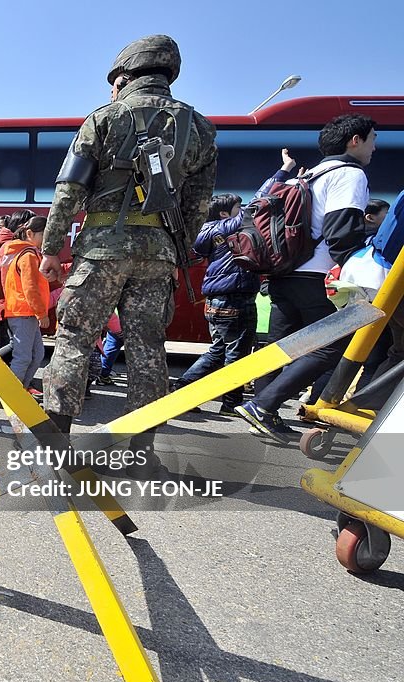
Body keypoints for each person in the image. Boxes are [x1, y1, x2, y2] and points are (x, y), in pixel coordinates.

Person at [39, 34, 218, 471]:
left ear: (124, 75)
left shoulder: (103, 118)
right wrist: (175, 247)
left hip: (101, 250)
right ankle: (140, 452)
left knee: (76, 339)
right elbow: (199, 201)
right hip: (159, 255)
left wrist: (50, 247)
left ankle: (55, 446)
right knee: (148, 347)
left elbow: (69, 190)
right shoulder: (198, 127)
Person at [237, 114, 377, 443]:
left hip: (284, 271)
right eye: (372, 139)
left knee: (278, 347)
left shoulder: (310, 174)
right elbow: (341, 231)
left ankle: (262, 411)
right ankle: (263, 405)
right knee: (332, 346)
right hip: (315, 275)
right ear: (354, 140)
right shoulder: (349, 174)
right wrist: (356, 276)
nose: (375, 147)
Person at [171, 152, 298, 411]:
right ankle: (230, 403)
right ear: (225, 213)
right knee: (236, 356)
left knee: (218, 351)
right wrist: (284, 172)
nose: (243, 213)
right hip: (236, 299)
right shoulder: (228, 227)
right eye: (237, 209)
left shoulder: (203, 232)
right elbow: (258, 203)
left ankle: (182, 389)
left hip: (215, 302)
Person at [1, 216, 51, 394]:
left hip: (25, 312)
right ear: (30, 234)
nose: (47, 238)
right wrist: (41, 313)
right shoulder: (28, 255)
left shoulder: (27, 253)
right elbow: (30, 288)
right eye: (45, 234)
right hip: (24, 312)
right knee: (23, 357)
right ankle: (12, 395)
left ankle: (20, 390)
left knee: (37, 355)